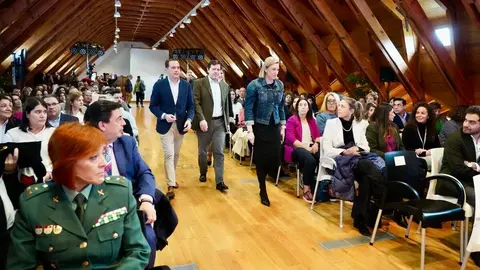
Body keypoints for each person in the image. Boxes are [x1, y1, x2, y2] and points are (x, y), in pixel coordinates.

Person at [6, 123, 151, 269]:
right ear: (67, 163)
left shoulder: (119, 192)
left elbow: (137, 251)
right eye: (93, 157)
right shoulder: (34, 202)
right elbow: (20, 265)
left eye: (103, 153)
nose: (104, 163)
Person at [84, 100, 160, 267]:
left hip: (129, 206)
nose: (124, 123)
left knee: (148, 238)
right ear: (103, 125)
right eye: (119, 119)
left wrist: (146, 200)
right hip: (92, 211)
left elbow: (145, 173)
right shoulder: (81, 149)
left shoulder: (126, 142)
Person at [323, 97, 384, 235]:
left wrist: (356, 149)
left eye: (342, 106)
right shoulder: (331, 123)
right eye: (338, 106)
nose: (339, 108)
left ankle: (359, 218)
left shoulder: (361, 123)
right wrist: (344, 151)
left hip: (357, 158)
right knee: (369, 167)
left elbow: (366, 147)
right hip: (339, 159)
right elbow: (327, 148)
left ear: (351, 110)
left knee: (366, 180)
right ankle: (381, 191)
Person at [438, 106, 480, 268]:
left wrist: (474, 166)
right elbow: (458, 169)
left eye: (472, 122)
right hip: (452, 181)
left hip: (472, 179)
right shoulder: (455, 139)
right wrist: (475, 169)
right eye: (465, 120)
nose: (466, 124)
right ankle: (477, 249)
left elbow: (470, 167)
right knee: (479, 197)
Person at [149, 59, 194, 200]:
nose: (176, 70)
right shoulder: (159, 85)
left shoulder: (186, 86)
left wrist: (189, 120)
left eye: (178, 67)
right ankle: (170, 184)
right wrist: (163, 115)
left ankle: (172, 178)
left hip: (181, 125)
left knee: (176, 155)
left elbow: (191, 106)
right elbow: (153, 106)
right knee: (169, 154)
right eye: (173, 67)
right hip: (165, 125)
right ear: (166, 69)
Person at [245, 56, 286, 206]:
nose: (276, 72)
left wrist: (283, 126)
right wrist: (250, 131)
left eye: (278, 69)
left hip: (274, 125)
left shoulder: (280, 85)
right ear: (266, 69)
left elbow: (281, 107)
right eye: (273, 69)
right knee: (261, 160)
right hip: (260, 126)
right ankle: (263, 189)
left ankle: (266, 180)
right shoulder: (254, 85)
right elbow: (248, 108)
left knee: (275, 159)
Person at [192, 60, 232, 192]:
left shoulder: (224, 86)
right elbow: (196, 102)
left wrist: (227, 122)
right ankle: (203, 172)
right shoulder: (199, 83)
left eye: (218, 69)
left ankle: (219, 181)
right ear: (208, 70)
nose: (216, 72)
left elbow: (226, 105)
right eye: (214, 69)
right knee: (203, 151)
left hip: (219, 122)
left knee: (219, 152)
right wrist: (201, 119)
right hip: (205, 122)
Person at [4, 97, 54, 182]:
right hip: (21, 182)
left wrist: (49, 174)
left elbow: (63, 159)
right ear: (27, 114)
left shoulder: (54, 133)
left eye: (45, 112)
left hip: (51, 181)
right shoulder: (12, 134)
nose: (42, 115)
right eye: (38, 112)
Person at [284, 98, 321, 202]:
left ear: (309, 107)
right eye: (301, 105)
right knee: (310, 160)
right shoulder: (292, 120)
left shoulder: (311, 120)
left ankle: (319, 187)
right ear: (297, 107)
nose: (303, 106)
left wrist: (316, 144)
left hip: (310, 146)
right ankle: (306, 189)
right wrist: (307, 148)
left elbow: (318, 135)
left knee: (322, 157)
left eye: (306, 105)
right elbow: (291, 139)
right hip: (296, 148)